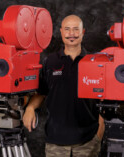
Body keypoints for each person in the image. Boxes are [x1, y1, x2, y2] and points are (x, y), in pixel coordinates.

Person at [23, 15, 104, 157]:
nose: (71, 34)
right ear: (61, 32)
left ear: (83, 32)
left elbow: (104, 100)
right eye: (67, 29)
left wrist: (98, 136)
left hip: (87, 141)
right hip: (55, 143)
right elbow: (41, 92)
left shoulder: (95, 62)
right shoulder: (50, 62)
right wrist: (30, 107)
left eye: (75, 29)